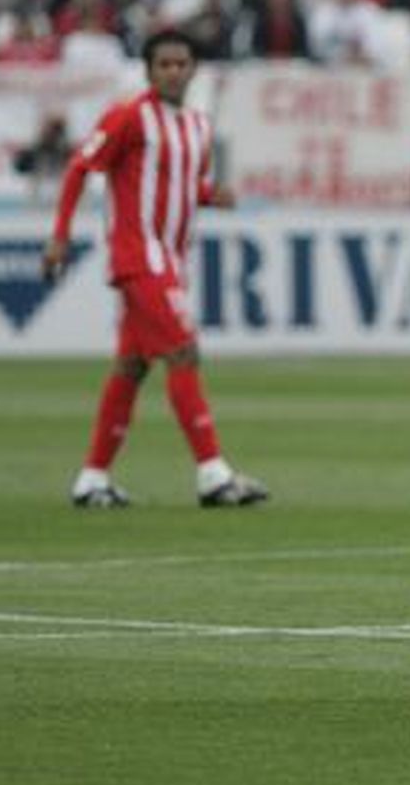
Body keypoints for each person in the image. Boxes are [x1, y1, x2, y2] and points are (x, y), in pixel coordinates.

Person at [41, 30, 269, 511]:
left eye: (181, 63)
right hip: (137, 257)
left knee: (132, 366)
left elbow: (185, 186)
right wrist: (60, 235)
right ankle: (213, 473)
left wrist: (212, 196)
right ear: (148, 71)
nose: (173, 71)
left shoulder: (197, 127)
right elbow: (80, 167)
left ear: (193, 70)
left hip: (171, 258)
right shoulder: (129, 117)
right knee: (184, 351)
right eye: (163, 64)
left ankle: (92, 478)